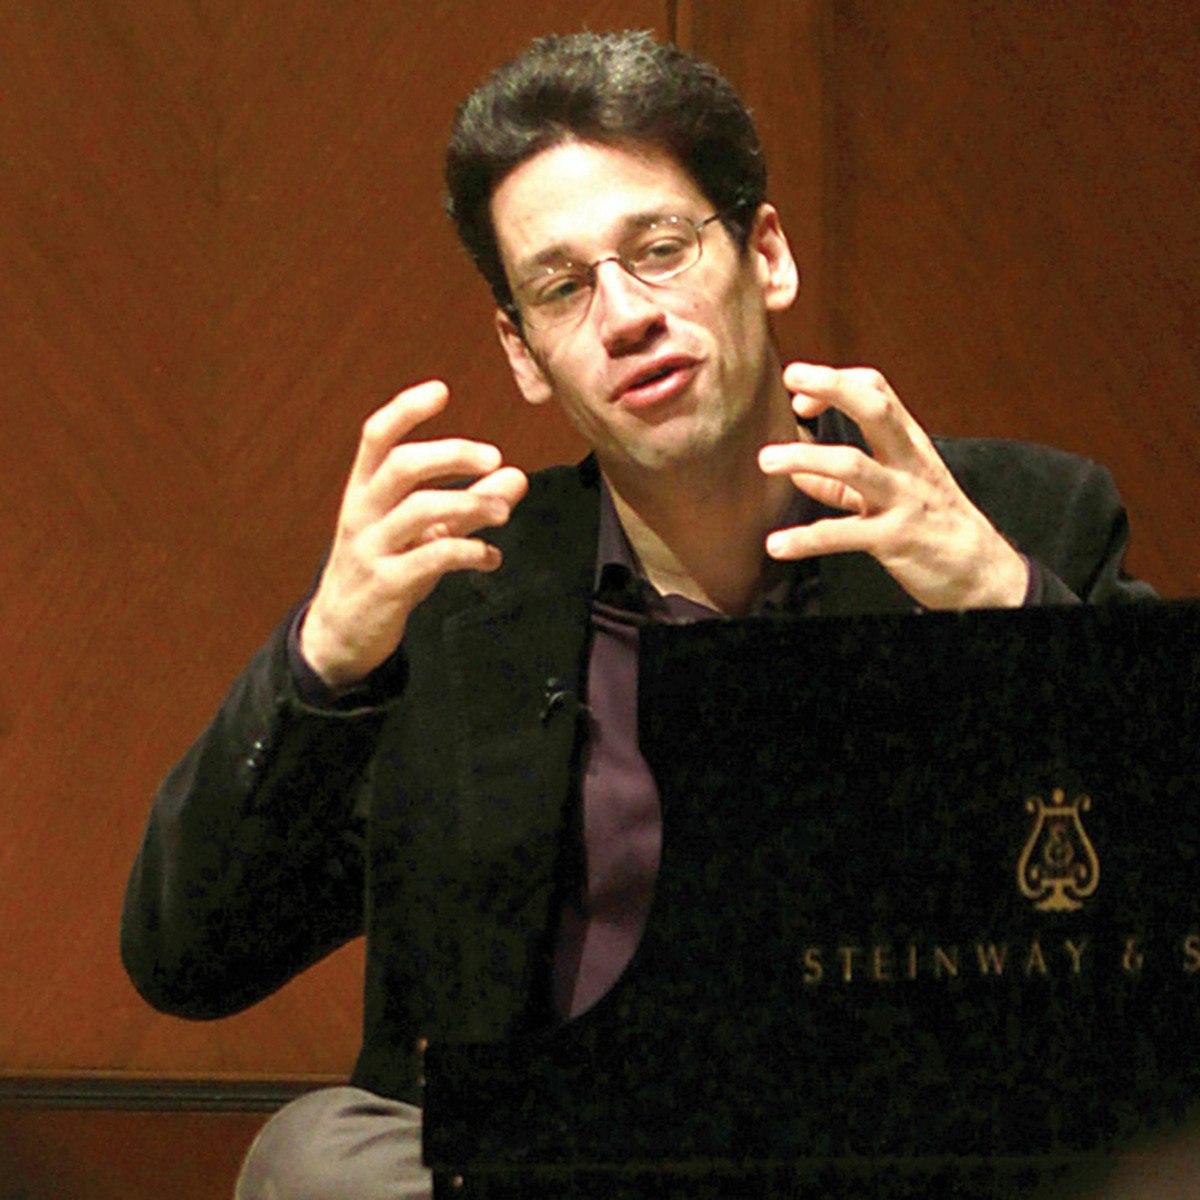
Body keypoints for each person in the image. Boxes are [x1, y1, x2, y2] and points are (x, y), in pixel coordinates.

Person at [120, 29, 1153, 1200]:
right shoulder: (462, 602)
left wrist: (1013, 611)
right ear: (523, 351)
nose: (623, 315)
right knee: (318, 1157)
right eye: (562, 287)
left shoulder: (1018, 521)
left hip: (906, 1152)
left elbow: (1155, 915)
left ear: (765, 255)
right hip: (565, 1165)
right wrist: (324, 665)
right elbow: (189, 958)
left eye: (659, 250)